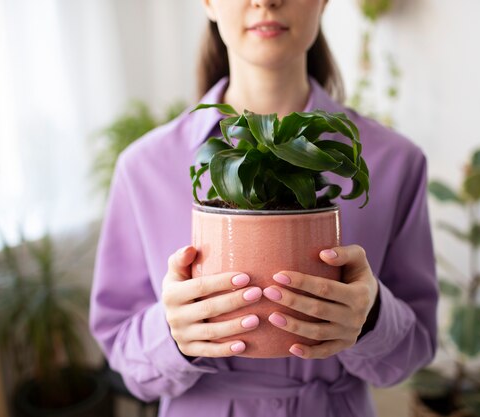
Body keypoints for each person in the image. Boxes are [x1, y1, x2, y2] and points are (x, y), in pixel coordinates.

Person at [89, 0, 439, 416]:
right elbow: (123, 356)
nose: (267, 1)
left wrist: (373, 315)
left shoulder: (394, 161)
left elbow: (415, 348)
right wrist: (171, 333)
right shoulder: (145, 166)